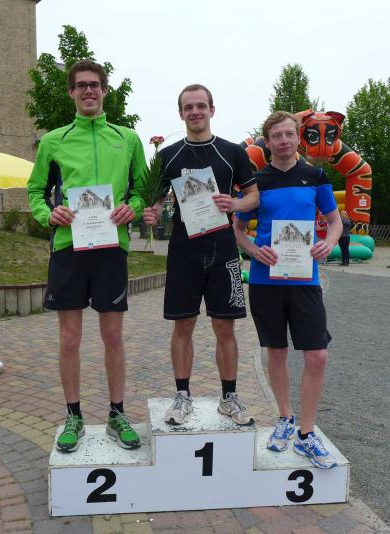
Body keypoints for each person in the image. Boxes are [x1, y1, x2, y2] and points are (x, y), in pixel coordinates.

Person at [27, 60, 147, 452]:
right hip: (68, 249)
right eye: (81, 85)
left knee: (113, 336)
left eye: (95, 85)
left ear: (105, 90)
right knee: (69, 339)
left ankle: (117, 414)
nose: (89, 91)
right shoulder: (53, 141)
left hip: (112, 248)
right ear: (71, 93)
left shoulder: (127, 138)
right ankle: (73, 417)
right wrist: (48, 214)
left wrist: (132, 207)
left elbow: (141, 190)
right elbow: (35, 192)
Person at [143, 84, 259, 426]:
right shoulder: (168, 156)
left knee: (225, 326)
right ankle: (182, 395)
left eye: (200, 106)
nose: (195, 112)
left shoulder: (233, 152)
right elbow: (155, 201)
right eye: (188, 107)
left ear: (212, 109)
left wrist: (235, 203)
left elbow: (253, 196)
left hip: (223, 249)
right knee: (183, 324)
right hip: (184, 250)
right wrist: (151, 213)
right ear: (181, 113)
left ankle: (229, 397)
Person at [233, 111, 342, 469]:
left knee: (317, 356)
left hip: (305, 279)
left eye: (288, 134)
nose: (283, 140)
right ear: (266, 142)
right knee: (276, 352)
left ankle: (307, 435)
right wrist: (253, 250)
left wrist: (329, 242)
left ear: (298, 138)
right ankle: (285, 418)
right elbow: (237, 229)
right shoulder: (256, 182)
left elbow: (335, 221)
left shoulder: (316, 176)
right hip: (266, 281)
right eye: (276, 136)